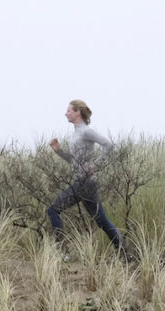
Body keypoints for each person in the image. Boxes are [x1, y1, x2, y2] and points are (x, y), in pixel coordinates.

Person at [47, 99, 124, 253]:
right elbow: (75, 161)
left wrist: (95, 165)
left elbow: (108, 145)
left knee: (53, 210)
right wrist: (59, 151)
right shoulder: (76, 133)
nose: (66, 113)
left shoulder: (86, 131)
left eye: (69, 110)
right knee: (101, 221)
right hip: (84, 182)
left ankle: (61, 253)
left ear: (77, 112)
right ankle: (123, 251)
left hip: (86, 182)